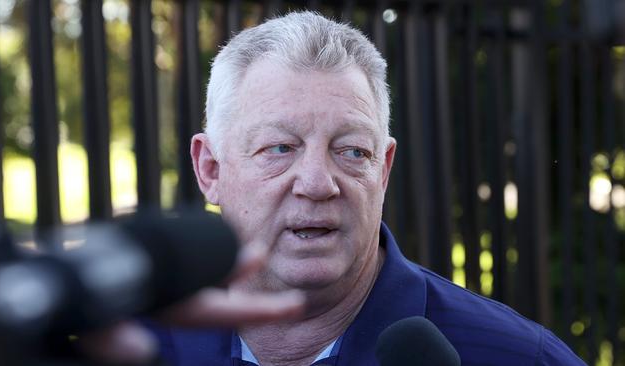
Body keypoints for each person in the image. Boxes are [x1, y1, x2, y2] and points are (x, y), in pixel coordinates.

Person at [91, 11, 586, 366]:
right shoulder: (129, 347)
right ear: (210, 169)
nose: (317, 184)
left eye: (351, 151)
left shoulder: (520, 357)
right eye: (280, 148)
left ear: (384, 169)